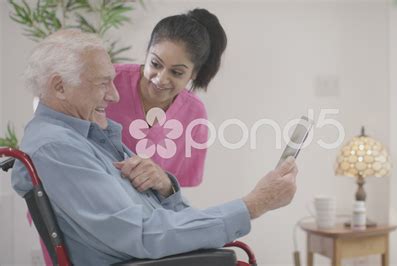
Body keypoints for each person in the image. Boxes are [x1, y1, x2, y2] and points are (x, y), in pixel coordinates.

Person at [11, 29, 298, 266]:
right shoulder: (57, 148)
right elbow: (141, 234)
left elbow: (163, 222)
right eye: (103, 83)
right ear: (59, 87)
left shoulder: (91, 135)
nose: (114, 94)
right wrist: (252, 205)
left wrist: (165, 188)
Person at [106, 8, 226, 187]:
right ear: (147, 53)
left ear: (194, 73)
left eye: (176, 72)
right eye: (155, 63)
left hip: (144, 210)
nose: (161, 79)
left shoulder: (194, 114)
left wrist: (163, 181)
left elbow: (174, 189)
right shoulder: (108, 80)